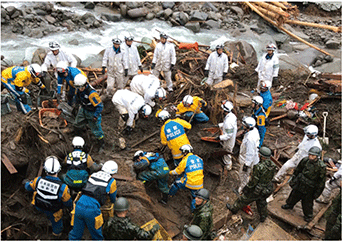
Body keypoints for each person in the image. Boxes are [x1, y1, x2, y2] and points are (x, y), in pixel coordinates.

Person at [69, 160, 118, 240]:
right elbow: (112, 197)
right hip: (92, 210)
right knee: (96, 235)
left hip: (79, 205)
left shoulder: (92, 175)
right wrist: (113, 202)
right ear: (114, 172)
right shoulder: (111, 181)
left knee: (76, 233)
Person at [24, 156, 72, 237]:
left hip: (38, 206)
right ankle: (56, 234)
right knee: (57, 221)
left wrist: (26, 183)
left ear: (45, 169)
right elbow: (68, 203)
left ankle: (37, 216)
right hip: (53, 211)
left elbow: (28, 187)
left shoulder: (38, 180)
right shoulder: (63, 188)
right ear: (59, 169)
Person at [227, 147, 277, 222]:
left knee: (243, 199)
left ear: (262, 156)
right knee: (262, 203)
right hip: (267, 188)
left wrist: (247, 188)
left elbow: (254, 181)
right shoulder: (273, 165)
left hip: (257, 189)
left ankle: (233, 209)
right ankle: (263, 217)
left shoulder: (259, 167)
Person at [281, 146, 326, 222]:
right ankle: (289, 205)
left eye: (313, 155)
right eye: (310, 154)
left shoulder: (321, 167)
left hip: (310, 187)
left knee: (307, 203)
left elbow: (321, 182)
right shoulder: (305, 160)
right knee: (294, 195)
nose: (310, 157)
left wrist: (317, 193)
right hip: (300, 182)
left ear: (317, 156)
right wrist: (293, 180)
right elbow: (297, 170)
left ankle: (308, 216)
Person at [73, 74, 105, 152]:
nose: (79, 89)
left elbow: (99, 106)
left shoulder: (92, 94)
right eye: (77, 88)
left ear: (85, 85)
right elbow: (77, 97)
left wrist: (95, 116)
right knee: (77, 123)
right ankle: (80, 136)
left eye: (80, 88)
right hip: (84, 109)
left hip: (92, 112)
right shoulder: (79, 89)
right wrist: (76, 106)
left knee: (96, 131)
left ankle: (101, 144)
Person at [169, 144, 204, 211]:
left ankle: (170, 195)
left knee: (176, 183)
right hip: (199, 184)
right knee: (195, 198)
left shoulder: (185, 160)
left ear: (185, 152)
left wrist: (170, 172)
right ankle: (193, 212)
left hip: (189, 182)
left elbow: (177, 172)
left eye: (182, 152)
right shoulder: (199, 158)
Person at [237, 117, 260, 194]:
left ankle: (242, 191)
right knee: (246, 176)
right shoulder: (254, 130)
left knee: (243, 176)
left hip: (247, 160)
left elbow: (250, 153)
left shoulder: (250, 139)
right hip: (251, 158)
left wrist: (246, 165)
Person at [216, 100, 237, 170]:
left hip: (229, 140)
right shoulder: (231, 116)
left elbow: (228, 135)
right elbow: (225, 124)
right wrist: (219, 125)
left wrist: (219, 137)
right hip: (228, 136)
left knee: (227, 152)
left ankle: (228, 165)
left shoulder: (229, 121)